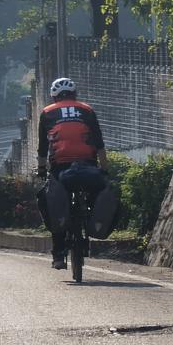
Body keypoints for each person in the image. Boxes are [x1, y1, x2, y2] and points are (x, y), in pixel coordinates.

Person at [37, 77, 108, 269]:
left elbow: (43, 148)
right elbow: (99, 143)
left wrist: (42, 170)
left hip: (61, 167)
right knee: (96, 190)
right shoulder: (87, 110)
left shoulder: (47, 113)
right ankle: (91, 218)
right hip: (88, 165)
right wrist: (105, 169)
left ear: (54, 97)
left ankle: (59, 255)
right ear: (74, 95)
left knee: (55, 204)